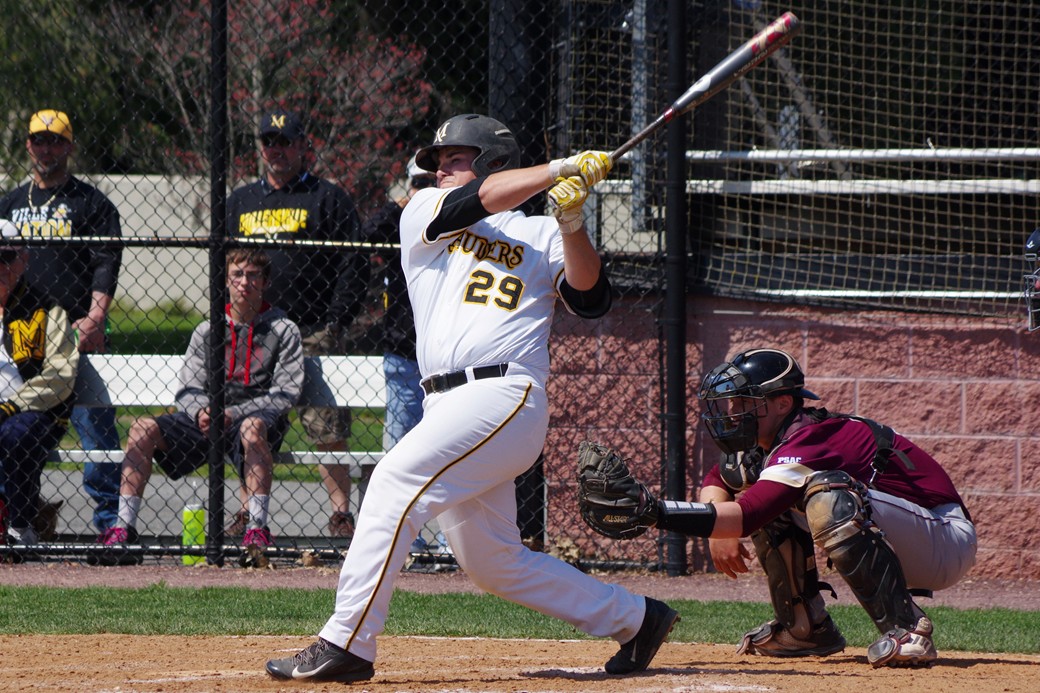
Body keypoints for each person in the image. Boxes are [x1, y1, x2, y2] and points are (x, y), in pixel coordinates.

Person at [265, 114, 679, 683]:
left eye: (455, 158)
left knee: (392, 483)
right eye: (438, 160)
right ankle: (635, 618)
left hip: (505, 392)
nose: (440, 169)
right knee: (492, 561)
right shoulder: (424, 211)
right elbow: (475, 201)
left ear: (493, 161)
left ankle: (347, 641)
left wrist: (572, 223)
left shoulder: (541, 233)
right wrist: (559, 168)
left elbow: (591, 298)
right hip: (446, 403)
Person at [577, 347, 977, 668]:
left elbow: (747, 515)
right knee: (779, 497)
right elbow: (720, 478)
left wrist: (654, 512)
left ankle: (908, 629)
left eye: (744, 401)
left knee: (827, 493)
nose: (732, 411)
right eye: (731, 401)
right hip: (910, 534)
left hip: (945, 539)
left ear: (783, 403)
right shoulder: (770, 443)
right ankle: (805, 630)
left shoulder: (813, 437)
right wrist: (718, 531)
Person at [90, 249, 303, 565]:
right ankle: (123, 529)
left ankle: (257, 530)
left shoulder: (283, 330)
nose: (245, 282)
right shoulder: (208, 330)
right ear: (226, 280)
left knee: (252, 427)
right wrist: (202, 411)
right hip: (207, 418)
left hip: (255, 419)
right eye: (237, 274)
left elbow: (285, 393)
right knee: (141, 429)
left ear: (265, 282)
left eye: (253, 275)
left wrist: (233, 413)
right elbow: (188, 388)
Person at [226, 110, 369, 539]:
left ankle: (341, 514)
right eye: (269, 141)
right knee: (250, 425)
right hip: (255, 332)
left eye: (285, 141)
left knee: (326, 426)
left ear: (303, 145)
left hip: (311, 331)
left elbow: (354, 262)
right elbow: (223, 263)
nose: (276, 150)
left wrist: (337, 321)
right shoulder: (241, 200)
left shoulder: (327, 197)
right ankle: (249, 513)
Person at [0, 109, 123, 534]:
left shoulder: (90, 203)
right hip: (19, 331)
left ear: (69, 146)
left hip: (70, 330)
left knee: (97, 436)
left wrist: (95, 318)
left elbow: (106, 261)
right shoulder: (11, 203)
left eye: (55, 140)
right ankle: (25, 515)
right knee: (20, 433)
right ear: (28, 144)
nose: (46, 147)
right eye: (38, 139)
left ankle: (111, 525)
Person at [360, 154, 436, 553]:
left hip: (447, 358)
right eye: (418, 182)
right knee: (400, 453)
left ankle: (451, 543)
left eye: (432, 181)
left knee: (452, 452)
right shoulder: (401, 221)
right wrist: (402, 204)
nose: (426, 190)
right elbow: (366, 232)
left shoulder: (457, 220)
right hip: (404, 354)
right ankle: (405, 541)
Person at [0, 218, 79, 554]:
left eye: (6, 256)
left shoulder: (47, 308)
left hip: (36, 411)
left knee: (12, 435)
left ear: (24, 259)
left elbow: (61, 374)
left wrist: (12, 405)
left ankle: (19, 528)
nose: (0, 266)